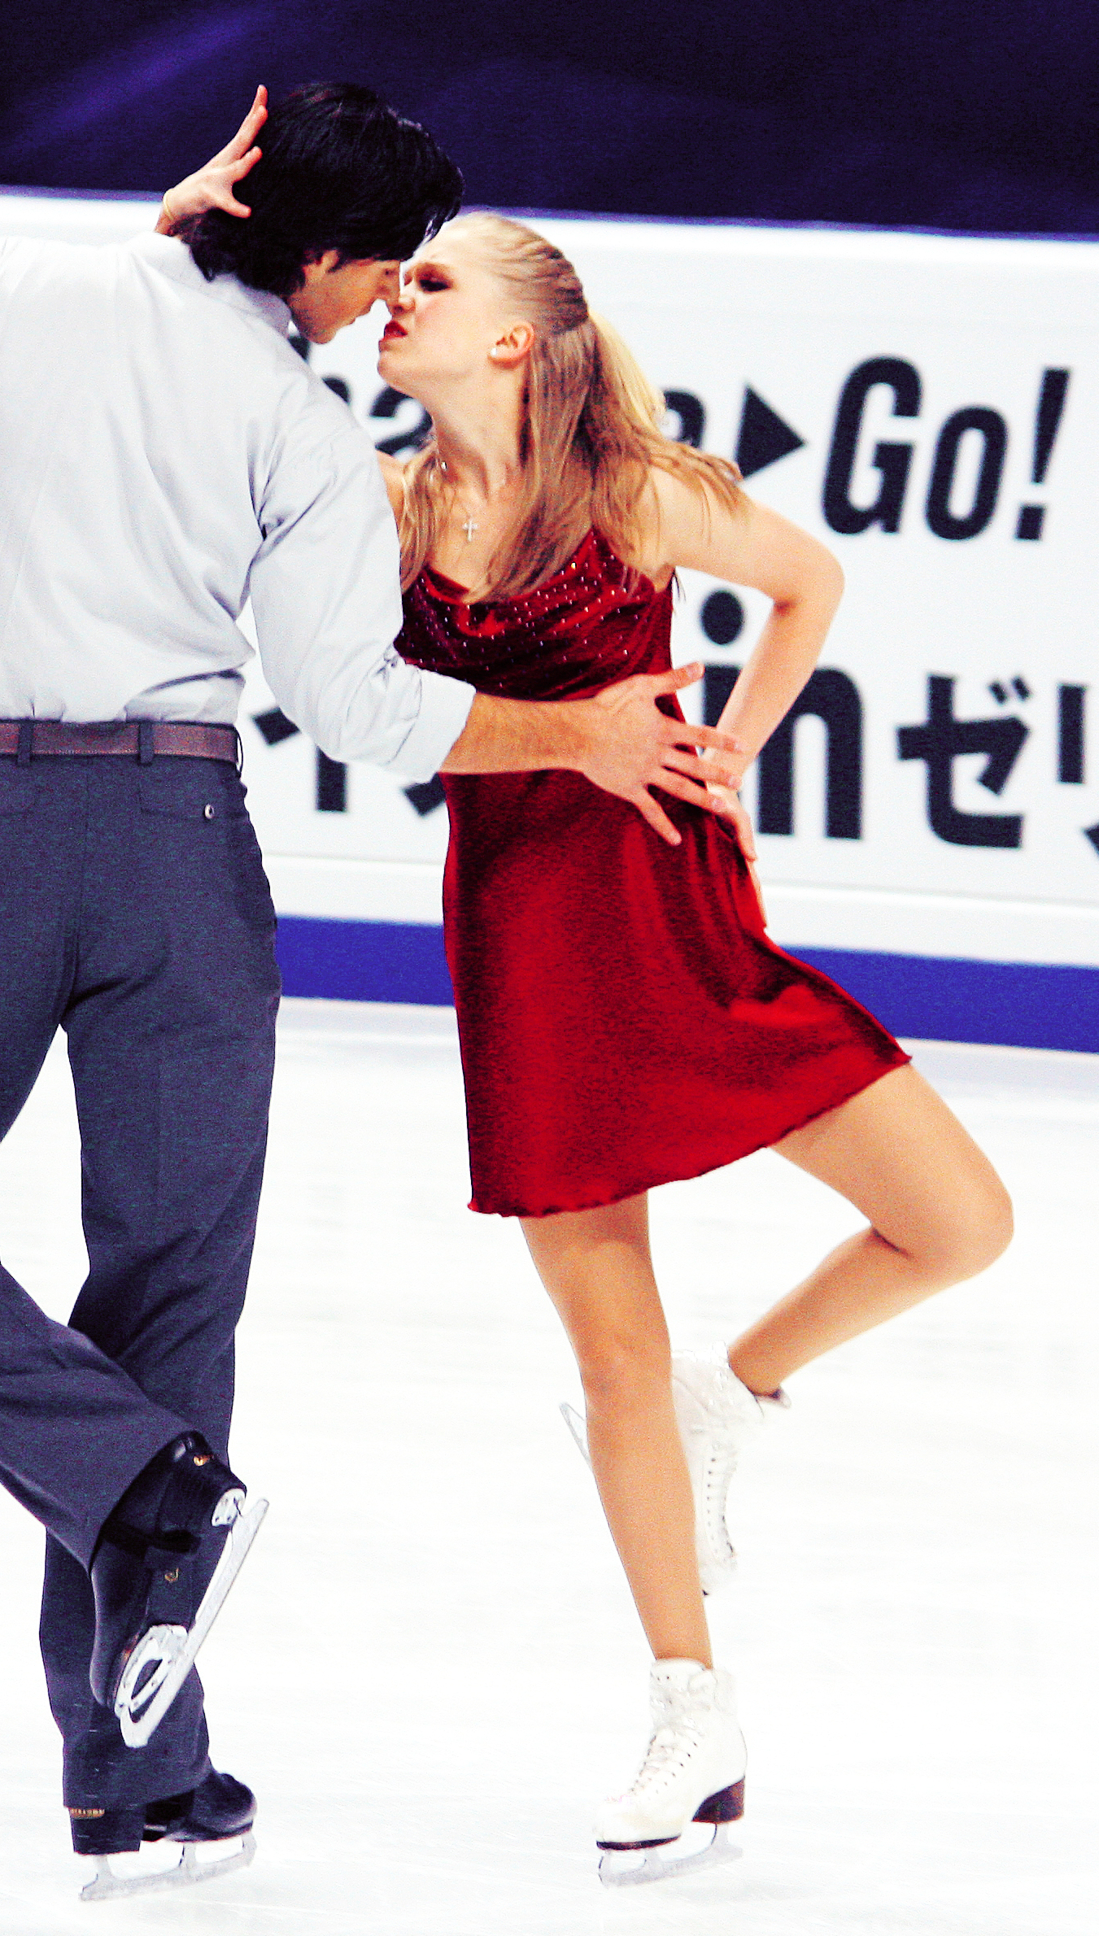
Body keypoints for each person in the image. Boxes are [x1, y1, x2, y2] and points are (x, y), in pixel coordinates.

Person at [0, 90, 744, 1902]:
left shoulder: (10, 279)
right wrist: (573, 730)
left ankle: (146, 1765)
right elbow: (360, 712)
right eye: (383, 277)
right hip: (183, 847)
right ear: (325, 254)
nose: (379, 313)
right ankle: (142, 1669)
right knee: (163, 1306)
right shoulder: (299, 428)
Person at [371, 213, 1013, 1883]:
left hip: (683, 921)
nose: (397, 298)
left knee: (963, 1219)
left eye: (433, 283)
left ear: (515, 340)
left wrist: (734, 741)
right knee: (609, 1361)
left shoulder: (635, 492)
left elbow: (810, 581)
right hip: (525, 945)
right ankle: (690, 1705)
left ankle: (743, 1386)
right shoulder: (389, 510)